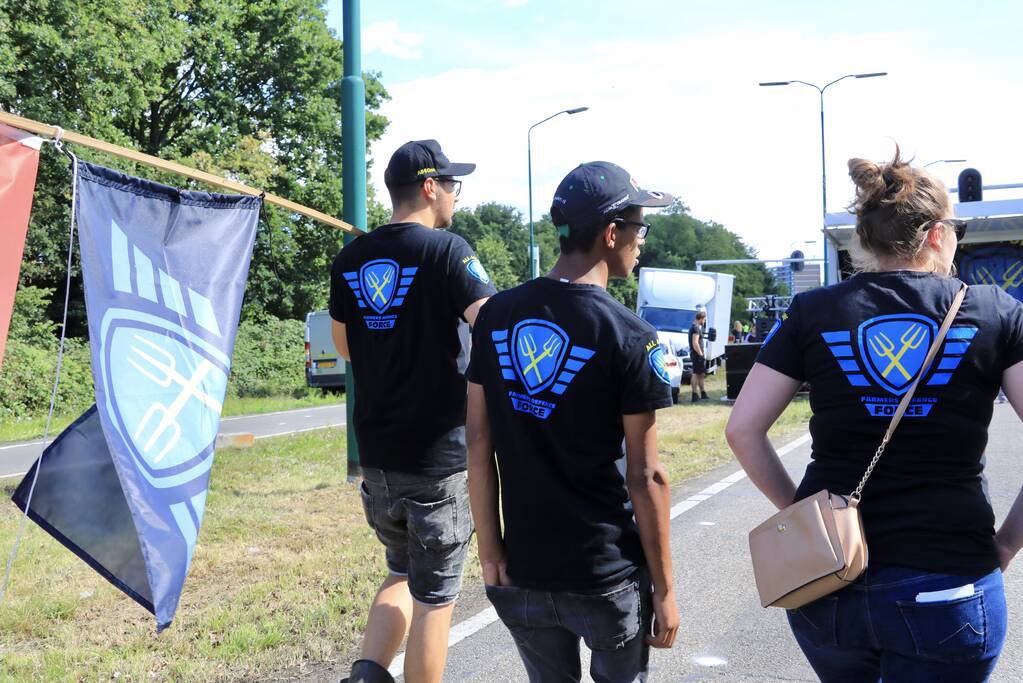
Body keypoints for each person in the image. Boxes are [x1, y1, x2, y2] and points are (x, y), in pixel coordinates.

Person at [726, 147, 1023, 682]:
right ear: (936, 233)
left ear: (867, 236)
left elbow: (742, 428)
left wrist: (807, 514)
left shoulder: (814, 310)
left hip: (829, 578)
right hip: (949, 577)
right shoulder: (994, 310)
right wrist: (1006, 543)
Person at [466, 161, 680, 682]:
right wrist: (667, 589)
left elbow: (477, 437)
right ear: (611, 234)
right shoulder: (632, 336)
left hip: (524, 568)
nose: (641, 241)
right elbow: (646, 475)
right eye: (638, 227)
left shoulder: (495, 315)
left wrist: (490, 548)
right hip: (604, 574)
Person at [329, 139, 496, 683]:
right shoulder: (447, 251)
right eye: (452, 185)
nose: (454, 196)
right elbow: (492, 323)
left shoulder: (351, 258)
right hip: (438, 459)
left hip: (377, 457)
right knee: (436, 596)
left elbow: (346, 346)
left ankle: (366, 675)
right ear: (429, 187)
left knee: (401, 569)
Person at [689, 309, 708, 401]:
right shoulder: (695, 328)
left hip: (698, 354)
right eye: (704, 319)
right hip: (697, 354)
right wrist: (700, 354)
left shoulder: (695, 326)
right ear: (701, 318)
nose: (704, 321)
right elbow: (695, 343)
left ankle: (703, 393)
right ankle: (694, 394)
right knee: (696, 374)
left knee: (701, 374)